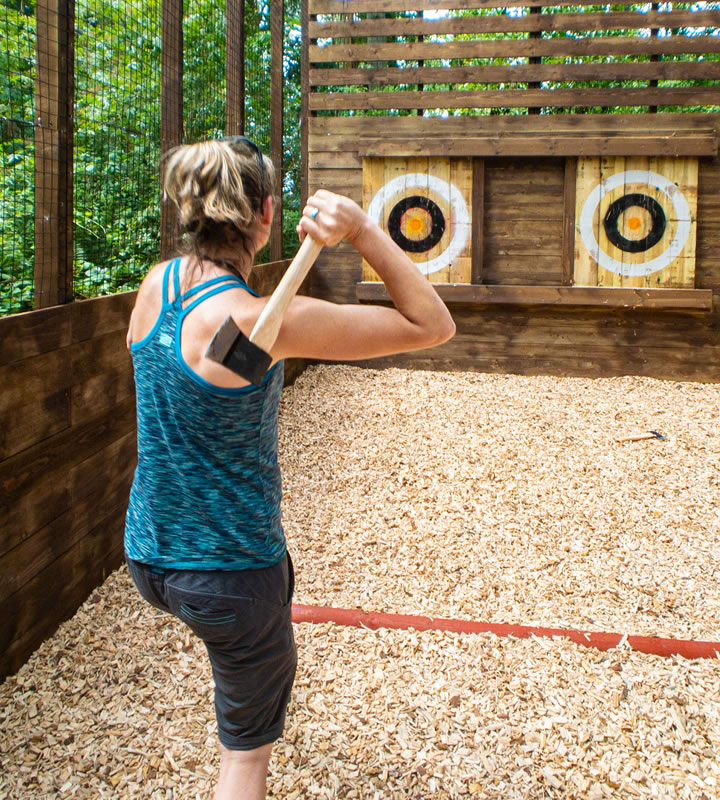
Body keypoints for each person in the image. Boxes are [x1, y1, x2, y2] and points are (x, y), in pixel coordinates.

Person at [122, 136, 455, 800]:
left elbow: (212, 366)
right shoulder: (263, 324)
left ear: (192, 211)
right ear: (267, 214)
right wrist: (360, 229)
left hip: (147, 556)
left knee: (235, 677)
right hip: (231, 577)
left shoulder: (156, 286)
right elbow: (432, 323)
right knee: (244, 757)